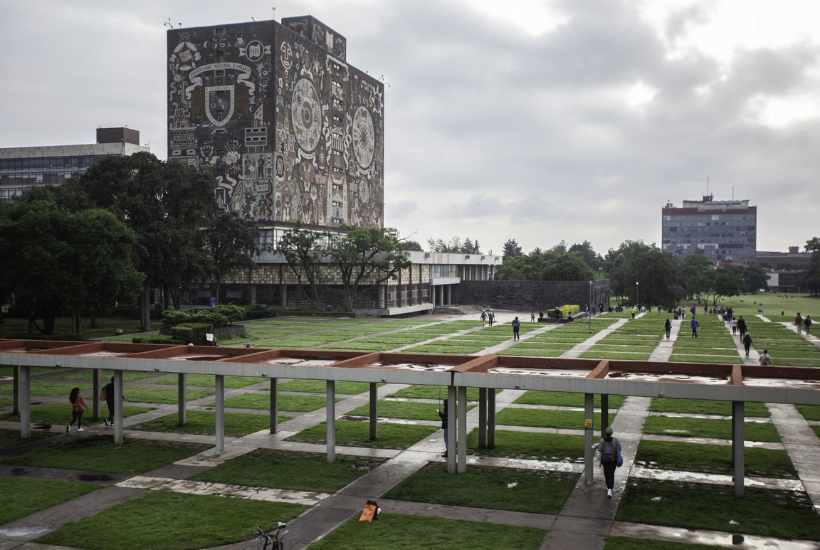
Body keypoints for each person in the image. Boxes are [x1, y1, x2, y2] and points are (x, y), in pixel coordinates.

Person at [597, 426, 622, 498]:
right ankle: (609, 489)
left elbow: (599, 449)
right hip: (612, 460)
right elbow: (619, 449)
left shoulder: (602, 440)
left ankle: (608, 486)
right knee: (611, 473)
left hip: (604, 460)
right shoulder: (615, 440)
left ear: (605, 433)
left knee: (606, 472)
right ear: (611, 433)